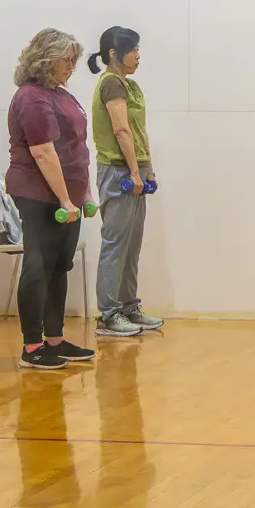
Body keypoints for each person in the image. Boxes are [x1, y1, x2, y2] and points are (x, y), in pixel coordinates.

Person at [5, 30, 99, 371]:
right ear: (46, 58)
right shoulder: (31, 97)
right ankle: (32, 346)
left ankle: (55, 340)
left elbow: (77, 147)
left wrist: (82, 192)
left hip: (66, 196)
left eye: (74, 59)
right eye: (66, 60)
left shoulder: (61, 95)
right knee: (38, 265)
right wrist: (63, 198)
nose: (71, 66)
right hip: (37, 193)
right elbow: (43, 152)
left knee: (60, 265)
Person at [87, 26, 162, 338]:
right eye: (132, 50)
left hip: (135, 170)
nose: (138, 56)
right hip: (118, 171)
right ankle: (109, 314)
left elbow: (139, 131)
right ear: (114, 54)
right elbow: (121, 131)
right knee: (115, 243)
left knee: (132, 245)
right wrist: (132, 173)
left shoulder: (131, 86)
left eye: (139, 50)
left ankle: (130, 306)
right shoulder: (110, 84)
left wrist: (148, 170)